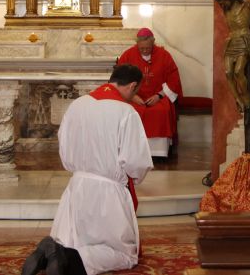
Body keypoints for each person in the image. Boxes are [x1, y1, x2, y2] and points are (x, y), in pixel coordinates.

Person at [21, 64, 153, 275]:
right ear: (132, 86)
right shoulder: (126, 112)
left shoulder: (78, 104)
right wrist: (133, 179)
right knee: (123, 254)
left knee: (73, 239)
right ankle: (64, 258)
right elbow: (137, 160)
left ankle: (50, 253)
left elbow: (63, 143)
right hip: (108, 192)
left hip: (78, 186)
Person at [117, 28, 183, 157]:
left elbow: (174, 79)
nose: (145, 51)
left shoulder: (164, 56)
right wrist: (133, 96)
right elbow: (120, 79)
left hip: (158, 96)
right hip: (133, 96)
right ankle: (133, 150)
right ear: (137, 44)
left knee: (161, 111)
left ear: (153, 43)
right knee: (130, 111)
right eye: (142, 48)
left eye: (148, 48)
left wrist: (159, 96)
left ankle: (158, 152)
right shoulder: (128, 55)